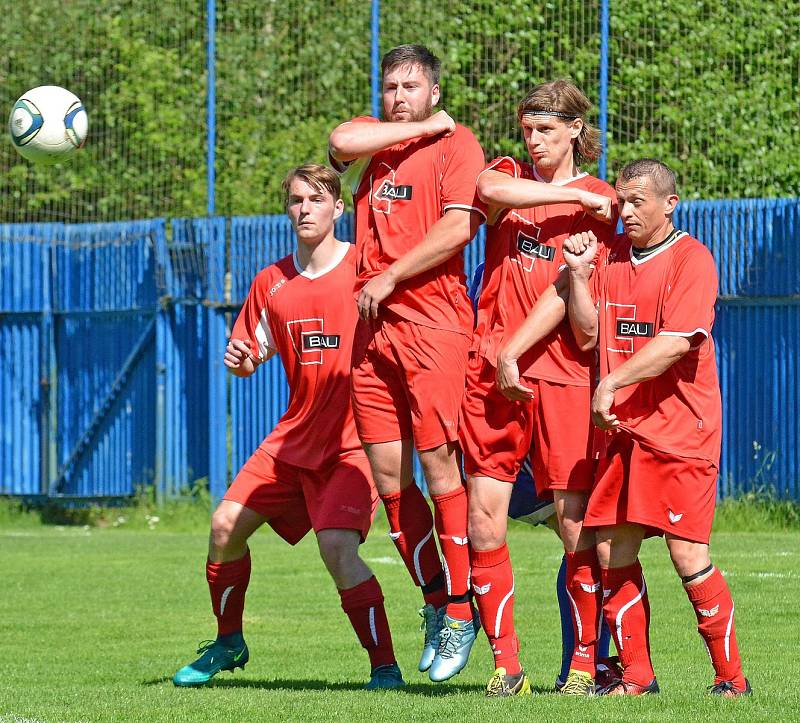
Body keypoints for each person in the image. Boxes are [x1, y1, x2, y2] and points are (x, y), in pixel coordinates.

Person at [172, 164, 404, 690]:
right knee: (223, 527)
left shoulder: (365, 270)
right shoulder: (271, 282)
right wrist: (239, 360)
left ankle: (384, 668)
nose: (304, 209)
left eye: (316, 200)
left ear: (338, 208)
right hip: (292, 439)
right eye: (295, 200)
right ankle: (229, 642)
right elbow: (250, 353)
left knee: (338, 550)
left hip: (352, 443)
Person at [562, 158, 750, 696]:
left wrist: (609, 384)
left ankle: (732, 681)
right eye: (621, 200)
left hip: (680, 432)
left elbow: (675, 342)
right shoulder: (612, 258)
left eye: (637, 201)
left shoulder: (692, 259)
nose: (626, 210)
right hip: (623, 434)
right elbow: (588, 334)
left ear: (670, 203)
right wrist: (578, 276)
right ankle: (637, 679)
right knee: (610, 551)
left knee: (686, 553)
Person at [328, 44, 486, 682]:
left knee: (439, 465)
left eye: (412, 86)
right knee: (390, 480)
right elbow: (339, 137)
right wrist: (418, 125)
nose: (399, 95)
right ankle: (432, 600)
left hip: (433, 323)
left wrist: (391, 276)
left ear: (435, 91)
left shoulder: (459, 145)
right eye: (391, 86)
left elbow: (457, 229)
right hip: (372, 329)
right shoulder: (382, 143)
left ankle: (460, 607)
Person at [461, 79, 617, 696]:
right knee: (483, 518)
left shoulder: (606, 203)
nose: (533, 140)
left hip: (560, 376)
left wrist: (516, 349)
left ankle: (583, 667)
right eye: (528, 129)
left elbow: (579, 321)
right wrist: (567, 194)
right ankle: (507, 668)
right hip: (489, 369)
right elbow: (487, 190)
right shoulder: (515, 176)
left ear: (576, 130)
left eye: (546, 130)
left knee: (575, 526)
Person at [467, 262, 616, 694]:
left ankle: (589, 665)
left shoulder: (588, 257)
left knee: (581, 535)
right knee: (476, 524)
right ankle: (477, 633)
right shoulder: (487, 270)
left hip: (563, 404)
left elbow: (591, 334)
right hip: (501, 411)